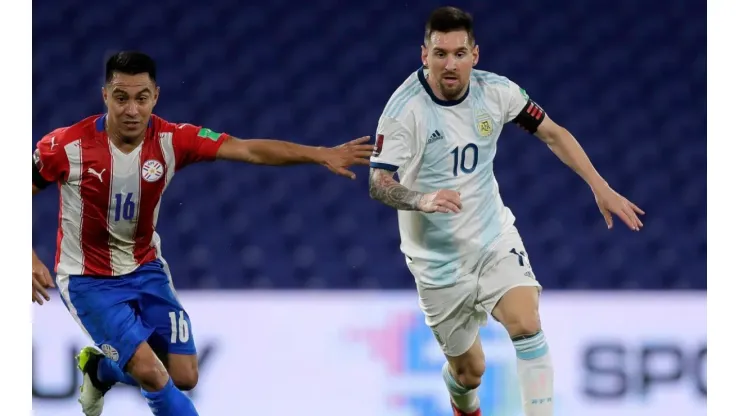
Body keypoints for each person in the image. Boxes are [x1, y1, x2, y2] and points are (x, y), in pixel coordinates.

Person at [32, 50, 374, 416]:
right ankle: (111, 371)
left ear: (156, 97)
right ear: (105, 97)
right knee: (151, 373)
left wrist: (319, 153)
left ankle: (98, 370)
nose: (132, 109)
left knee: (185, 374)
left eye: (141, 98)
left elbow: (247, 150)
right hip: (88, 280)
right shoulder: (66, 146)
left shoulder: (172, 139)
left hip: (145, 268)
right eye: (121, 98)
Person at [368, 7, 644, 416]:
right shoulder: (404, 111)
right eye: (440, 53)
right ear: (423, 54)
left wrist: (599, 186)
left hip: (491, 238)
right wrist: (421, 200)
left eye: (459, 53)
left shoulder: (497, 92)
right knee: (469, 373)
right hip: (437, 262)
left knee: (526, 321)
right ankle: (464, 403)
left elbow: (552, 132)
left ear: (475, 55)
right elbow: (379, 182)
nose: (450, 64)